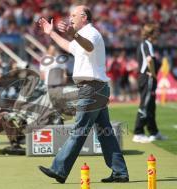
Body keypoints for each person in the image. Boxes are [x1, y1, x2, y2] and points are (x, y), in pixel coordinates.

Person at [38, 5, 129, 183]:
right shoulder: (84, 35)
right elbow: (69, 46)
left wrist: (74, 34)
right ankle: (120, 172)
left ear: (84, 17)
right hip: (95, 88)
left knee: (79, 130)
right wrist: (51, 33)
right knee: (106, 133)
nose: (70, 17)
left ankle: (59, 170)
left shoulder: (91, 33)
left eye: (74, 15)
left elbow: (87, 47)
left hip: (91, 89)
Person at [132, 23, 167, 143]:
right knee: (145, 104)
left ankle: (154, 132)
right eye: (156, 31)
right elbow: (149, 60)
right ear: (151, 33)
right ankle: (138, 132)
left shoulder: (147, 44)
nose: (158, 33)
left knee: (151, 105)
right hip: (147, 78)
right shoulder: (146, 44)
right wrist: (153, 73)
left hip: (146, 78)